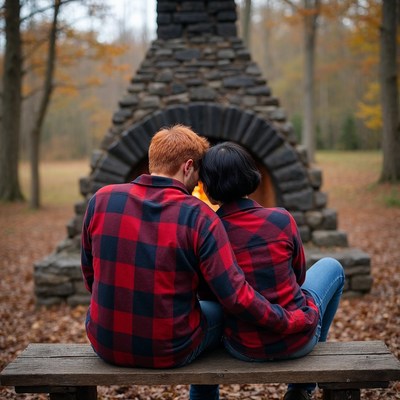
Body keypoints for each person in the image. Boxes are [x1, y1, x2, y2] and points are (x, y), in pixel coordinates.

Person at [81, 125, 307, 400]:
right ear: (188, 167)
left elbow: (91, 276)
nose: (200, 183)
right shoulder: (199, 216)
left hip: (104, 342)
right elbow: (235, 296)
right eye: (199, 172)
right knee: (219, 310)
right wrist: (288, 320)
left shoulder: (101, 199)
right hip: (171, 348)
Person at [199, 141, 345, 400]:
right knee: (332, 266)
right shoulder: (281, 218)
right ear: (250, 175)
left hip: (243, 347)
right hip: (299, 341)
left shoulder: (210, 231)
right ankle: (302, 386)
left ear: (208, 188)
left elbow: (209, 294)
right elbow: (299, 277)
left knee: (202, 310)